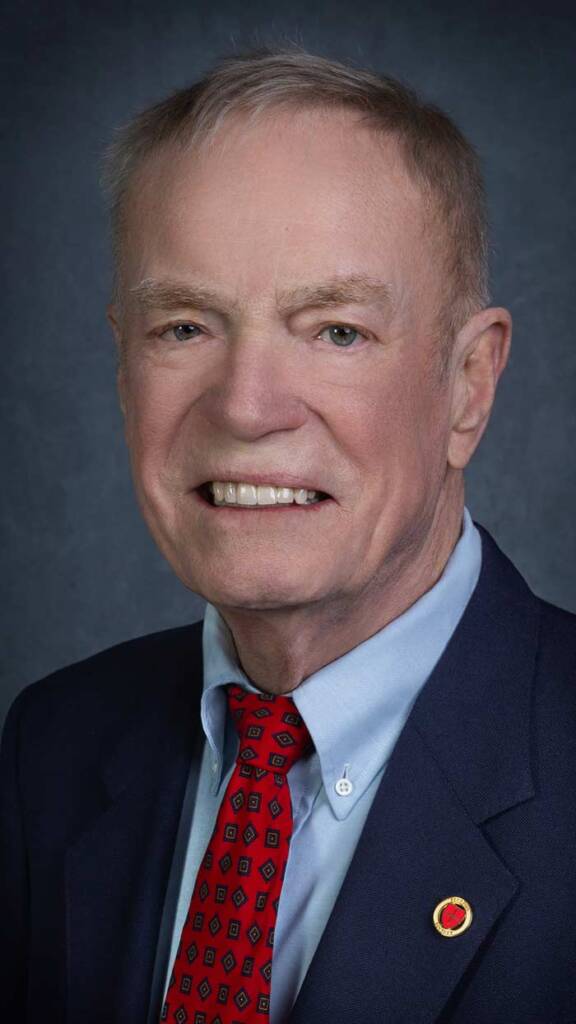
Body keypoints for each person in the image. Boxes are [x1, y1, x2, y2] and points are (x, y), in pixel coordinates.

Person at [1, 46, 575, 1024]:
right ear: (121, 366)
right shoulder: (52, 745)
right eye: (184, 327)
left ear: (468, 386)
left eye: (335, 330)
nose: (247, 406)